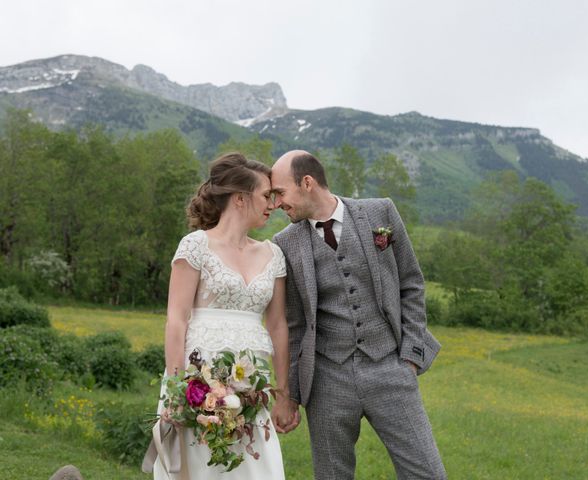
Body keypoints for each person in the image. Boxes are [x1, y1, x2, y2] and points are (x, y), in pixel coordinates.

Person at [271, 150, 447, 480]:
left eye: (280, 192)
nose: (277, 203)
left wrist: (409, 358)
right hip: (326, 379)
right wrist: (291, 395)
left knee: (428, 474)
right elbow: (294, 325)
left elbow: (411, 283)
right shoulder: (284, 243)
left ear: (307, 183)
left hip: (390, 368)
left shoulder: (380, 212)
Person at [152, 152, 298, 479]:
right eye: (266, 195)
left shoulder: (273, 254)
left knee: (253, 467)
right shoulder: (195, 246)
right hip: (196, 382)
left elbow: (277, 325)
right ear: (240, 199)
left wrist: (283, 394)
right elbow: (177, 319)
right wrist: (177, 388)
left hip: (251, 384)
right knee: (201, 465)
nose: (272, 204)